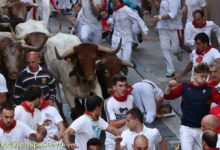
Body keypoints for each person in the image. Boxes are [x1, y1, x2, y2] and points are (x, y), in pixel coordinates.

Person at [164, 63, 220, 150]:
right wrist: (169, 86)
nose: (205, 79)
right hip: (186, 127)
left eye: (206, 76)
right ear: (195, 74)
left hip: (203, 129)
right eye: (202, 76)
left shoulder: (211, 90)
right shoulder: (184, 87)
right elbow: (168, 96)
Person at [108, 0, 149, 64]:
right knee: (116, 61)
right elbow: (112, 22)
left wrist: (144, 32)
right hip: (115, 40)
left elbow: (138, 19)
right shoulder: (115, 12)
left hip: (127, 40)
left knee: (125, 61)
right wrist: (106, 19)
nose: (112, 3)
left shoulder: (127, 10)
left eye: (113, 1)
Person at [152, 0, 183, 77]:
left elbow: (173, 14)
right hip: (162, 27)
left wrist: (159, 17)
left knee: (174, 49)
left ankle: (178, 51)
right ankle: (170, 70)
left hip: (175, 28)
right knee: (164, 49)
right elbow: (162, 9)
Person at [104, 74, 134, 149]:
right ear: (114, 87)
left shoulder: (131, 98)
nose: (124, 88)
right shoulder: (109, 102)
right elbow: (113, 124)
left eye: (125, 85)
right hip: (113, 140)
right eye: (120, 86)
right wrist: (128, 119)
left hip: (128, 138)